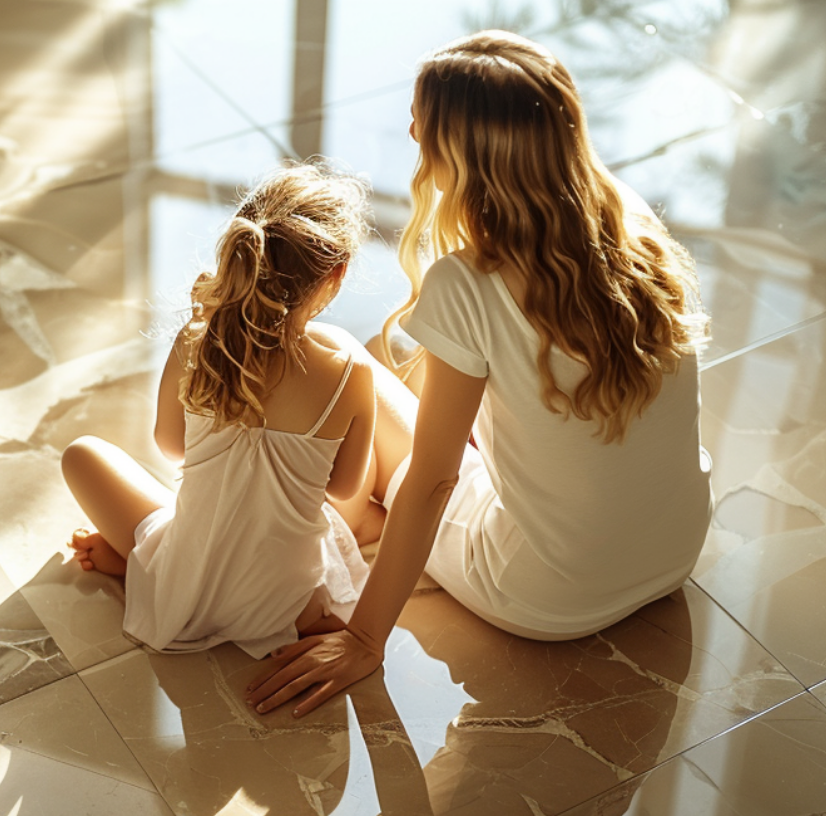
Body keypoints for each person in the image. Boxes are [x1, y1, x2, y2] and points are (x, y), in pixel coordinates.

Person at [247, 30, 713, 717]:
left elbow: (435, 479)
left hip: (549, 594)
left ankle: (372, 527)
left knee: (363, 380)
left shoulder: (470, 281)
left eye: (421, 122)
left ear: (465, 155)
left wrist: (364, 639)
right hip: (675, 549)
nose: (409, 130)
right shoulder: (631, 221)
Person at [61, 162, 380, 658]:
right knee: (327, 498)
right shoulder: (349, 369)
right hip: (284, 603)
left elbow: (170, 447)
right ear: (334, 277)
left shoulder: (197, 339)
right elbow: (343, 487)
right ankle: (317, 585)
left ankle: (139, 560)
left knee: (82, 455)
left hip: (181, 592)